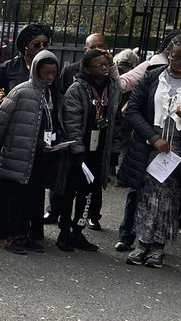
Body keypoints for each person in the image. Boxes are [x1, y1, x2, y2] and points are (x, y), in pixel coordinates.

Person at [0, 50, 64, 254]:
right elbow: (1, 122)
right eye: (45, 73)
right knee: (17, 198)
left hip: (40, 154)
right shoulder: (21, 91)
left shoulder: (50, 93)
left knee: (32, 198)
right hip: (20, 154)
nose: (49, 78)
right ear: (36, 71)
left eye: (53, 74)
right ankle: (12, 236)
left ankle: (25, 235)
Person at [118, 37, 181, 267]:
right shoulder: (152, 76)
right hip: (150, 146)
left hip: (177, 151)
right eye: (175, 57)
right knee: (145, 196)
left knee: (168, 201)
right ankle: (142, 244)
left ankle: (158, 248)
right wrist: (153, 138)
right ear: (168, 54)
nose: (179, 62)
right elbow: (133, 110)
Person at [57, 47, 120, 252]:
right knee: (69, 192)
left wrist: (112, 151)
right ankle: (64, 232)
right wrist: (78, 150)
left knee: (88, 193)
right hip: (78, 151)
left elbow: (114, 120)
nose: (104, 68)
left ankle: (78, 231)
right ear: (87, 69)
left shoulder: (111, 87)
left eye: (106, 65)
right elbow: (72, 122)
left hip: (99, 150)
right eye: (99, 65)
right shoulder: (77, 89)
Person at [0, 23, 52, 108]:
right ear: (25, 47)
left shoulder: (51, 67)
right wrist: (0, 98)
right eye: (37, 45)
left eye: (45, 44)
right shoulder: (9, 67)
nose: (42, 48)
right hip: (15, 115)